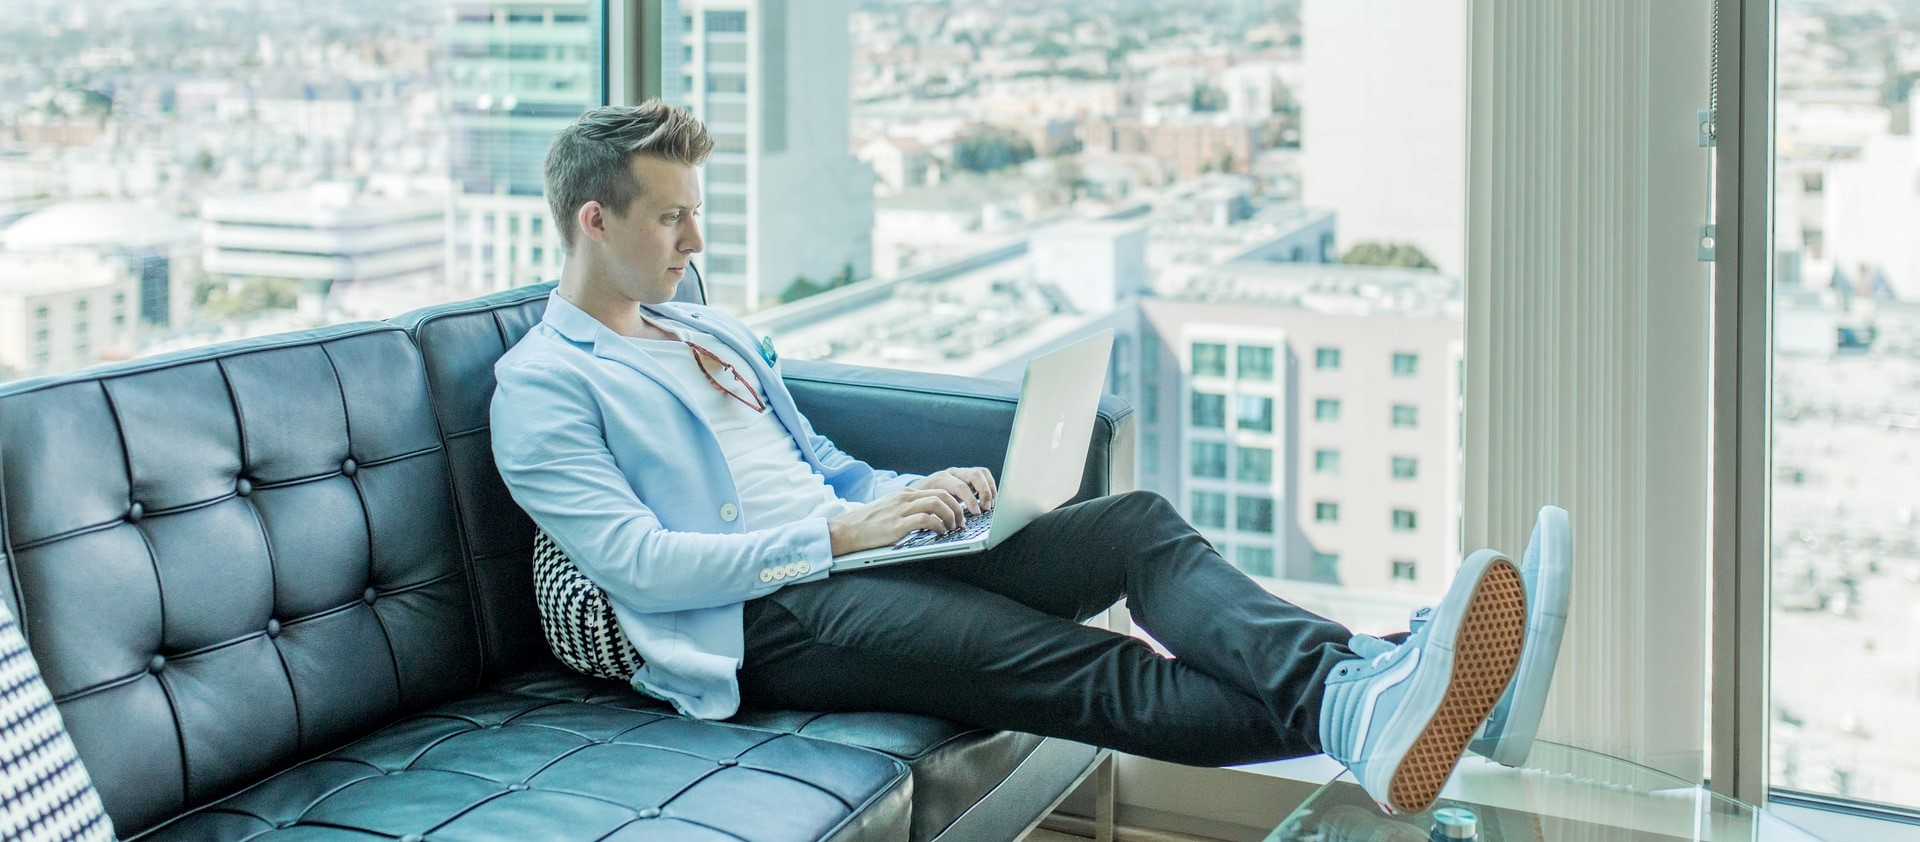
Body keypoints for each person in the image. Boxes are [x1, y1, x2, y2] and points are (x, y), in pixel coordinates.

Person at [490, 101, 1569, 816]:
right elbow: (639, 562)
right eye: (671, 217)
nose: (693, 241)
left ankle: (1375, 689)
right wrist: (835, 532)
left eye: (695, 214)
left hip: (860, 552)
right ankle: (1393, 689)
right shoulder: (543, 384)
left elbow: (811, 453)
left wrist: (906, 498)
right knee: (1073, 663)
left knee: (1136, 525)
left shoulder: (704, 328)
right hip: (766, 615)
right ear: (594, 220)